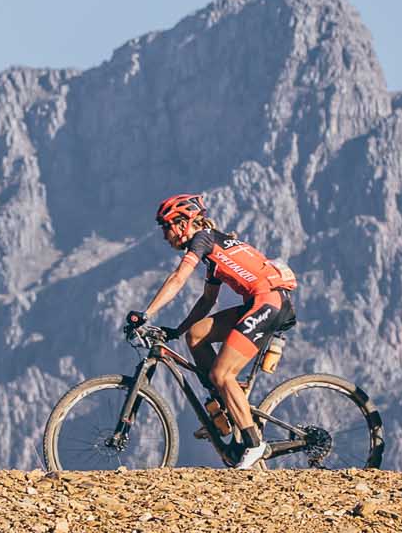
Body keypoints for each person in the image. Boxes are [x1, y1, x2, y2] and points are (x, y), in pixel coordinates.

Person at [125, 193, 296, 469]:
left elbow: (178, 278)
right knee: (196, 335)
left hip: (269, 302)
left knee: (220, 373)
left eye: (167, 227)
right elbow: (207, 300)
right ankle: (224, 404)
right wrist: (177, 331)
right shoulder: (213, 252)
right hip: (260, 302)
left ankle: (254, 443)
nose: (165, 235)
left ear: (183, 223)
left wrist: (146, 313)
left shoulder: (202, 240)